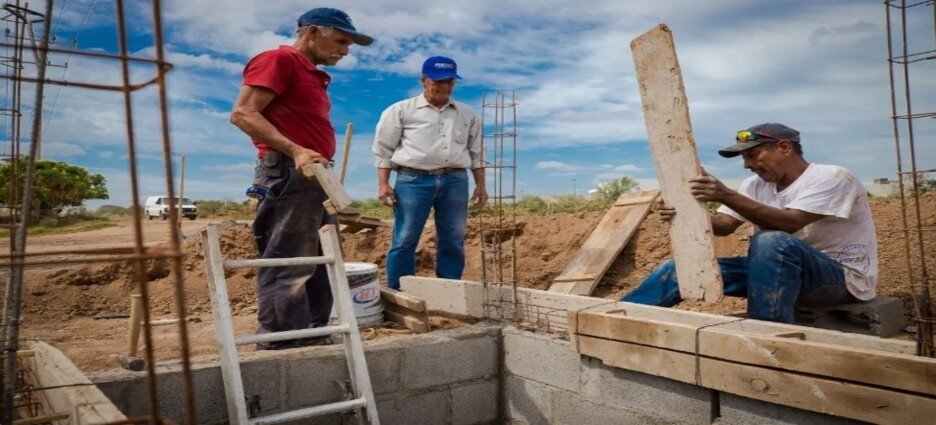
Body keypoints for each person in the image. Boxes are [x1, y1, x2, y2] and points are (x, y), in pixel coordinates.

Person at [620, 123, 877, 324]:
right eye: (744, 158)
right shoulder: (755, 185)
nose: (747, 165)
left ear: (784, 148)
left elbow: (792, 223)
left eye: (753, 155)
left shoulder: (833, 177)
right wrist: (684, 214)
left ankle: (764, 336)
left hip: (838, 280)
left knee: (771, 242)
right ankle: (614, 320)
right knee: (679, 270)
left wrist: (725, 194)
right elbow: (725, 225)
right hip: (776, 272)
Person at [229, 8, 373, 349]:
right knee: (289, 262)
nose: (345, 51)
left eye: (348, 44)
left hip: (314, 178)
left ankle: (313, 334)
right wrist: (296, 150)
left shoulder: (310, 73)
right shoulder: (279, 61)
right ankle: (281, 343)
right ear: (311, 33)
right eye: (340, 41)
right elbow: (243, 113)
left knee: (320, 262)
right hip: (290, 175)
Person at [372, 56, 488, 290]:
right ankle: (401, 289)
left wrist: (481, 186)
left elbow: (477, 153)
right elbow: (384, 151)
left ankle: (449, 288)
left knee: (453, 238)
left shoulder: (467, 114)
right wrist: (384, 184)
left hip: (455, 180)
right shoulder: (400, 111)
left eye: (450, 81)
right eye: (438, 81)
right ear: (423, 81)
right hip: (413, 181)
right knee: (405, 237)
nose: (444, 86)